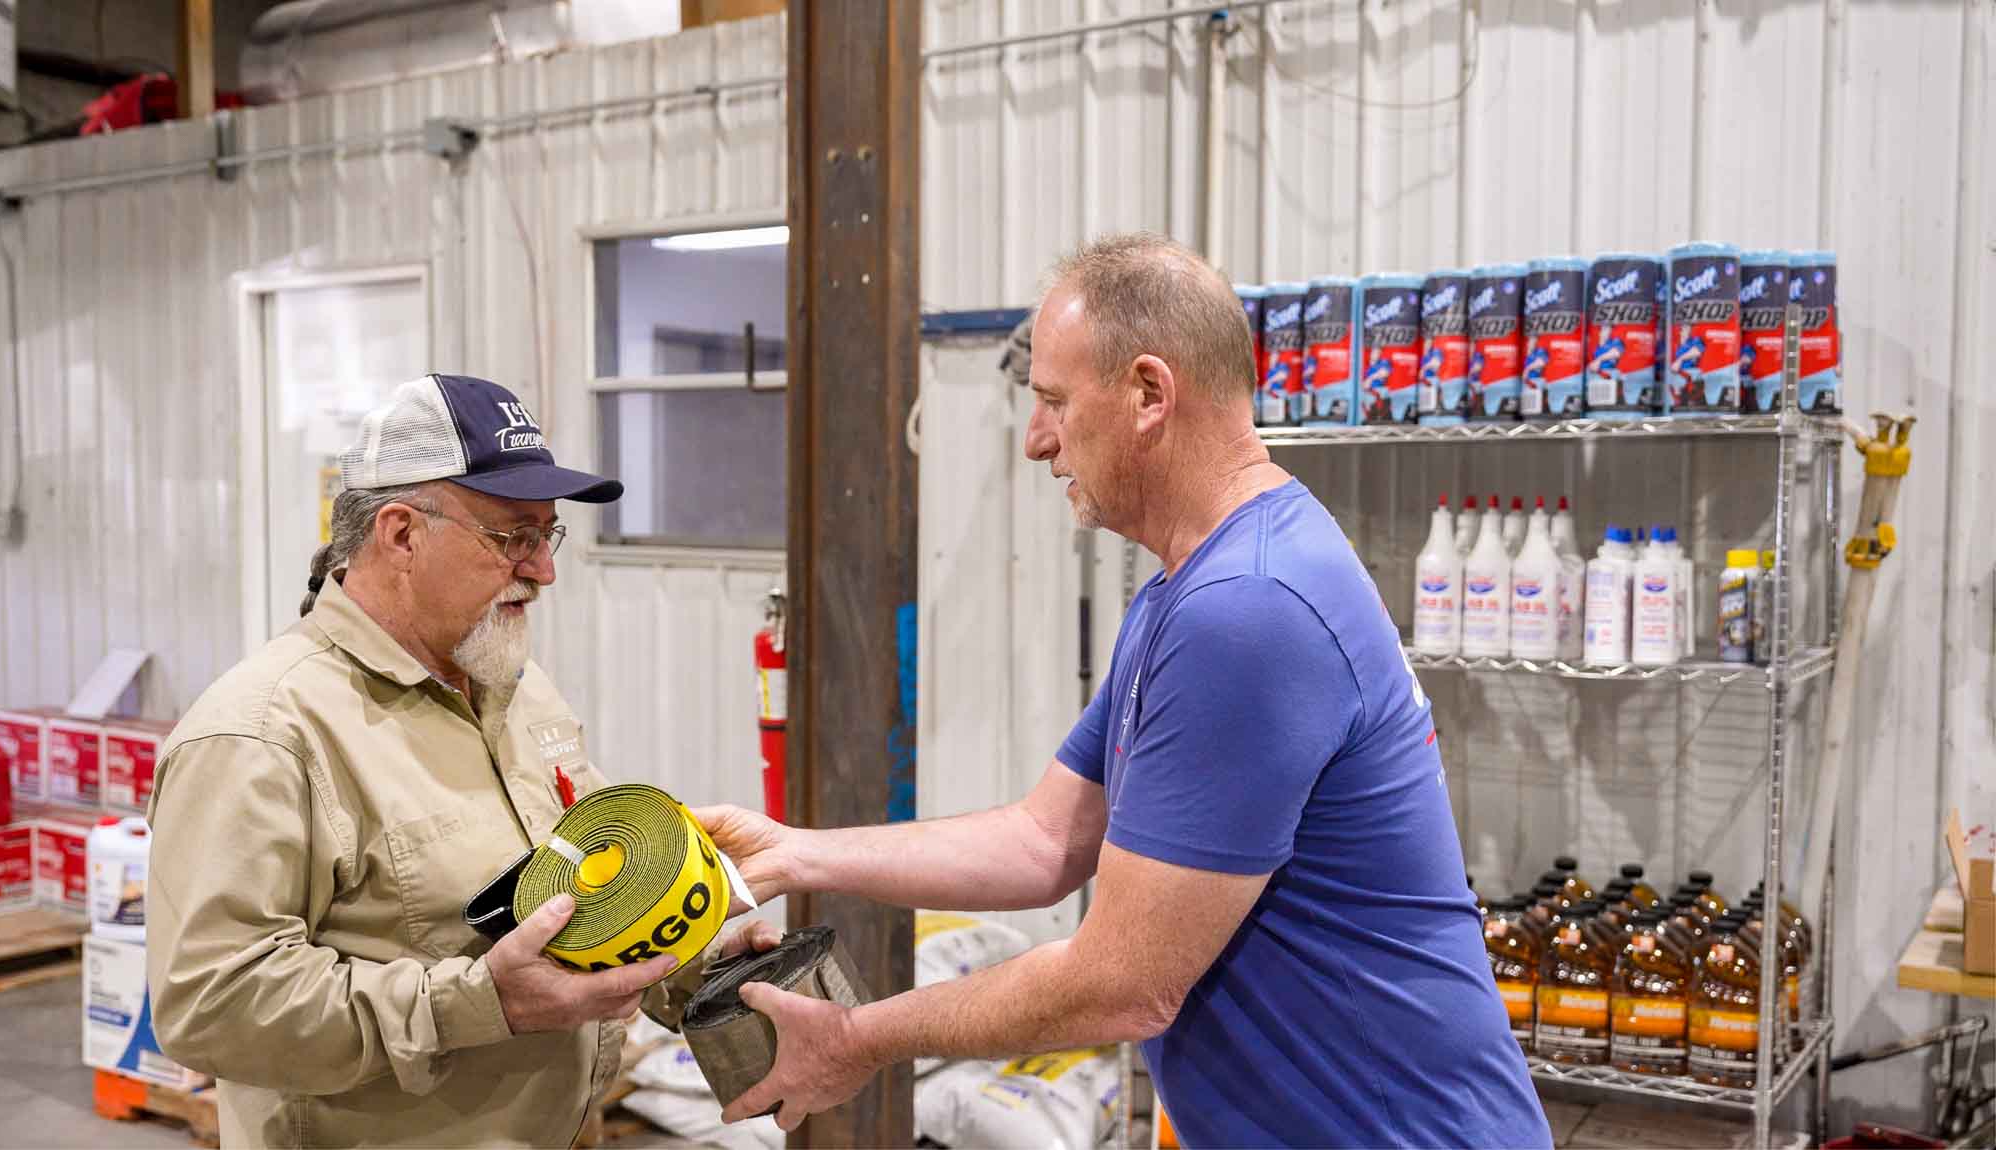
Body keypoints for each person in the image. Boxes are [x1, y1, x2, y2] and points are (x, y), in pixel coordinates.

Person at [699, 235, 1551, 1147]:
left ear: (1149, 393)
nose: (1036, 441)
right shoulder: (1189, 590)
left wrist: (857, 1040)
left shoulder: (1248, 610)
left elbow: (1123, 984)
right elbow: (1044, 841)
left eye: (1056, 402)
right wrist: (797, 855)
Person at [145, 374, 775, 1147]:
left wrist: (693, 959)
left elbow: (581, 897)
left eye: (549, 534)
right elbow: (212, 1003)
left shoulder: (512, 683)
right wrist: (482, 1004)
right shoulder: (263, 734)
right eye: (513, 537)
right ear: (402, 534)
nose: (543, 570)